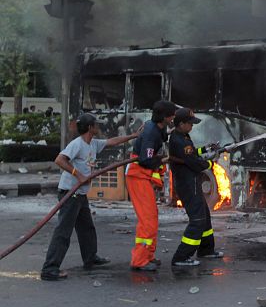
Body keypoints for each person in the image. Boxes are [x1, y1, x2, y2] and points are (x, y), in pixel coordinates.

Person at [40, 113, 141, 281]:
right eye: (96, 124)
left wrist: (133, 136)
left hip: (80, 194)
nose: (98, 127)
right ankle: (49, 268)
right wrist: (78, 175)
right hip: (70, 193)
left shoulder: (93, 143)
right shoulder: (77, 144)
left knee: (86, 227)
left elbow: (112, 141)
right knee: (63, 231)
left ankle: (90, 257)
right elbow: (60, 160)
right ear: (89, 127)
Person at [168, 108, 223, 266]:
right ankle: (181, 257)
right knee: (198, 219)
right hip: (187, 184)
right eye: (190, 123)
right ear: (181, 124)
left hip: (192, 182)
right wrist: (210, 163)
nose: (192, 126)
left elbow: (191, 154)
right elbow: (193, 162)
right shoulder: (179, 141)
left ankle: (206, 250)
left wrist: (205, 149)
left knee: (204, 216)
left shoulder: (183, 136)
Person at [126, 100, 176, 272]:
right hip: (137, 176)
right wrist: (163, 160)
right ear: (164, 117)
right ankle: (139, 260)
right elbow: (145, 159)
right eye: (171, 115)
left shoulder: (156, 128)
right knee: (147, 219)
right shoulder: (151, 133)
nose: (173, 118)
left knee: (151, 216)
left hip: (143, 176)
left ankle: (148, 255)